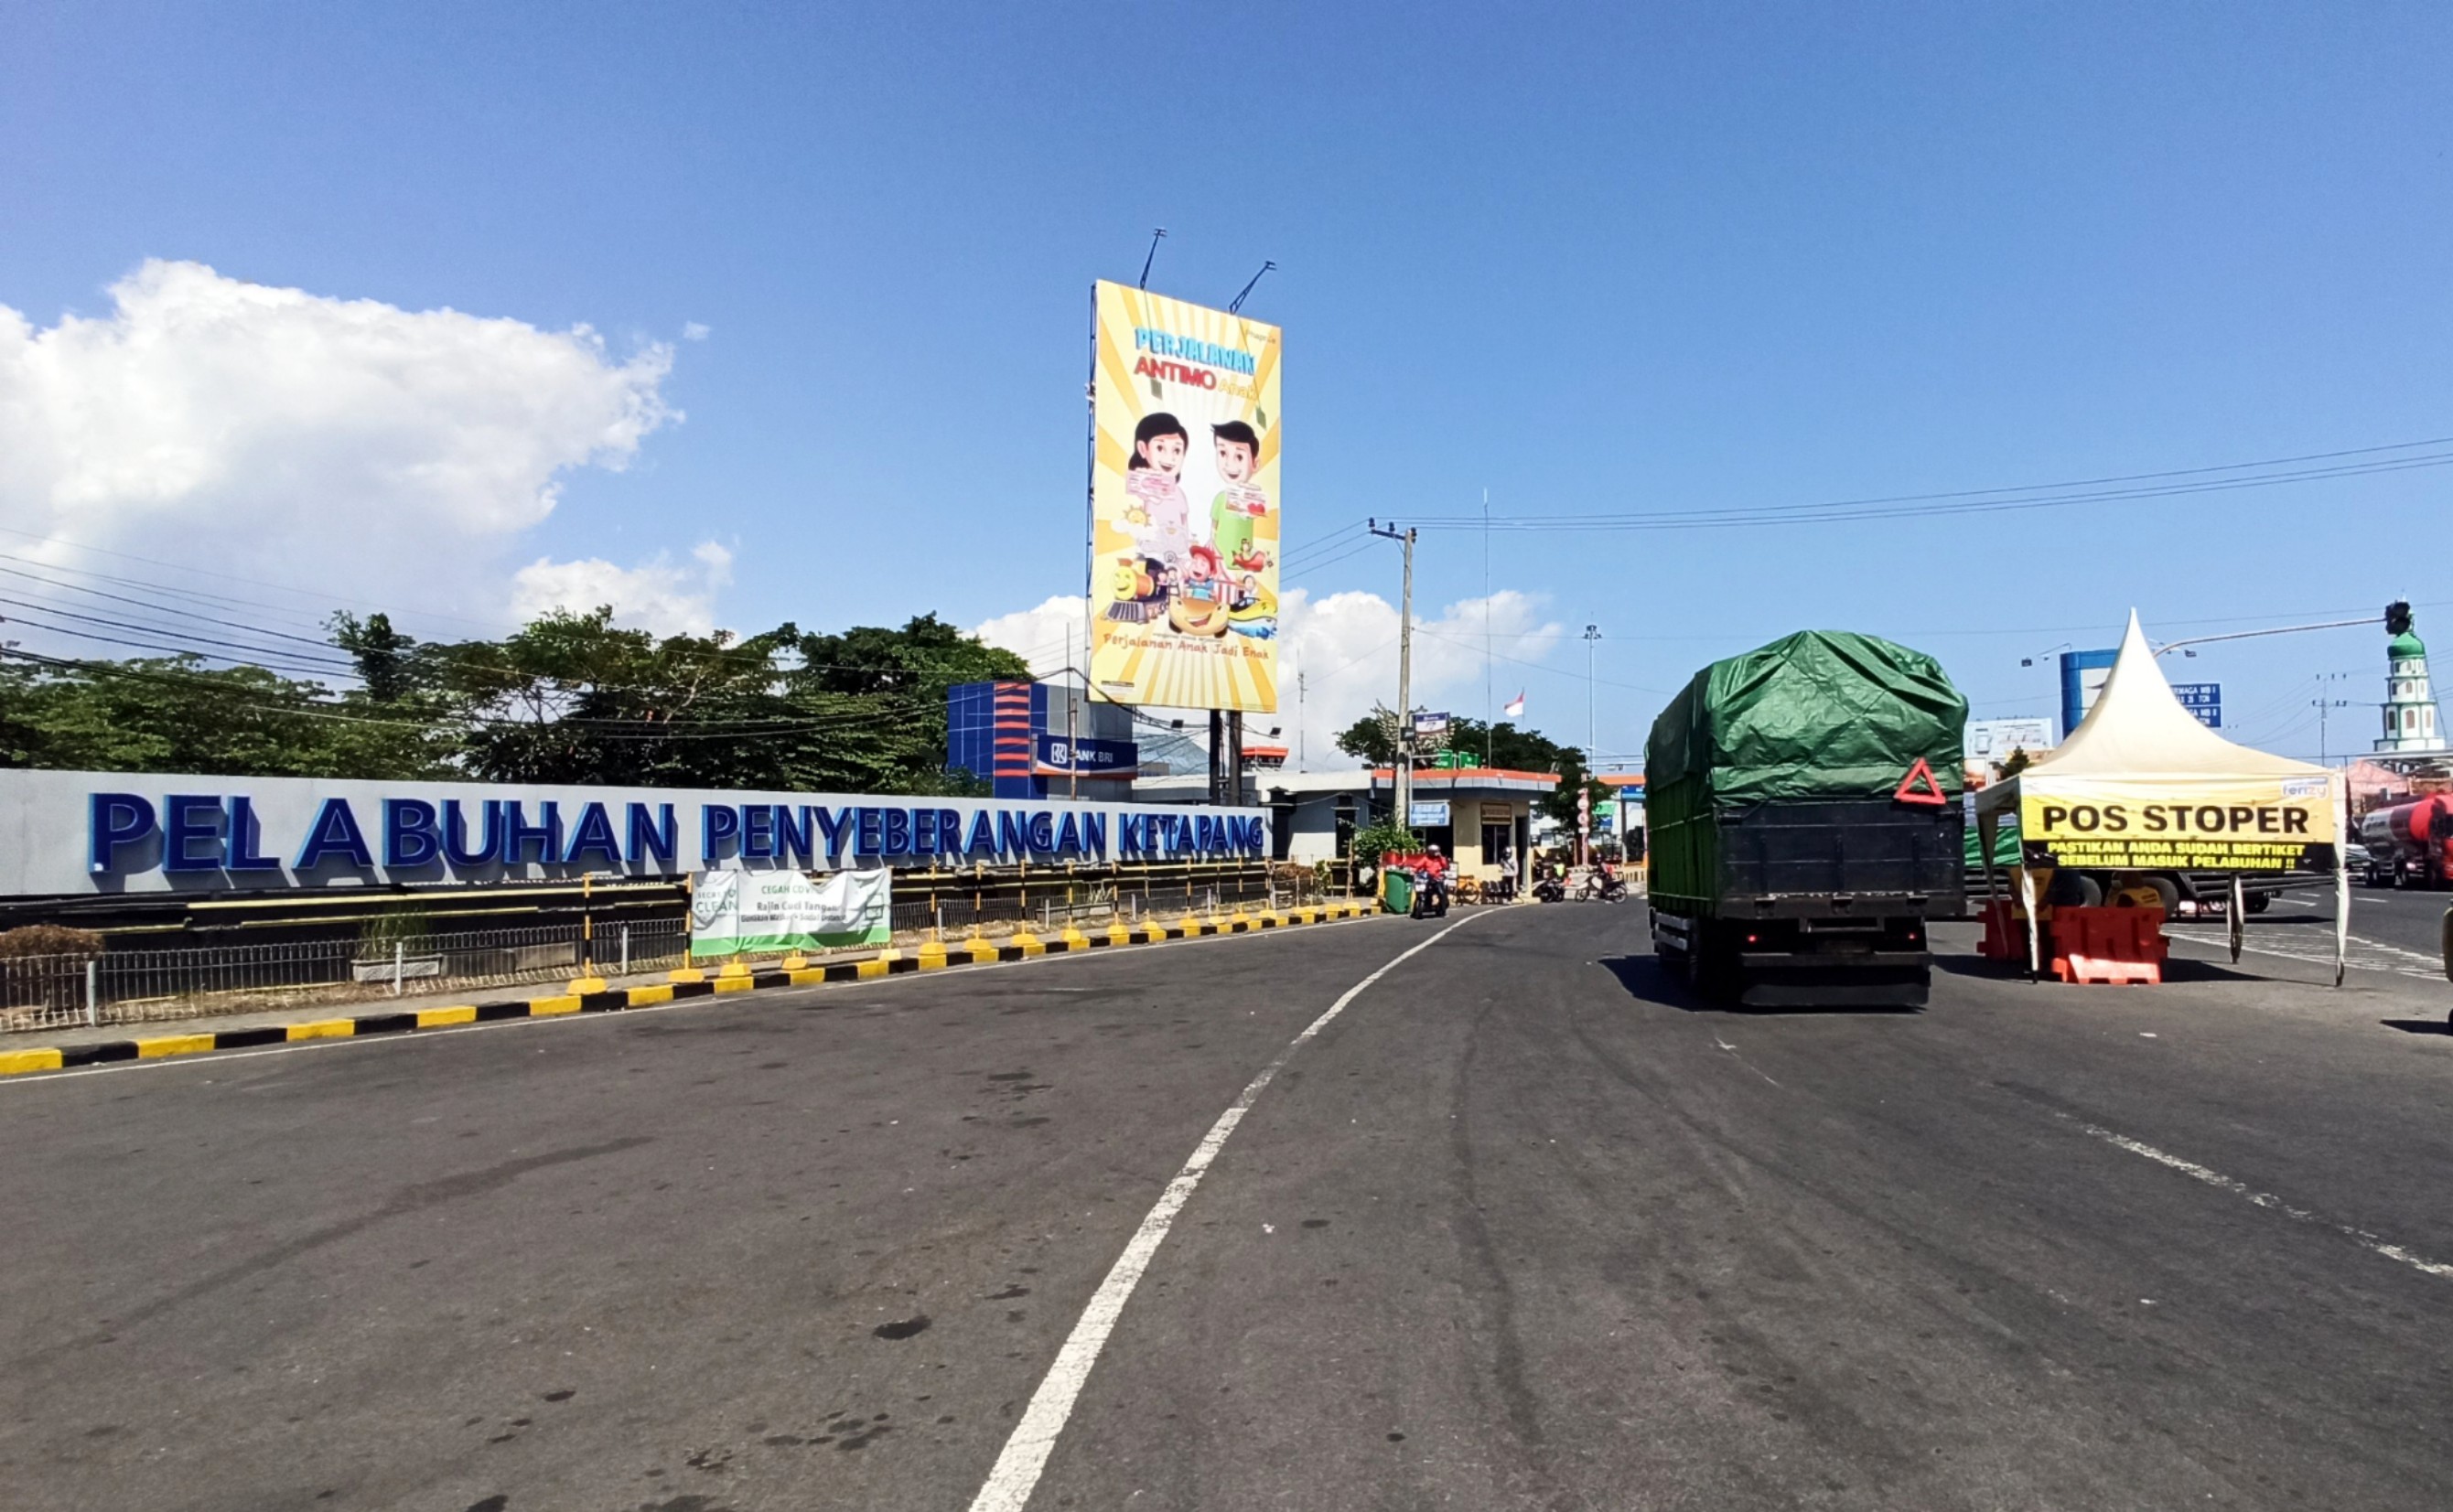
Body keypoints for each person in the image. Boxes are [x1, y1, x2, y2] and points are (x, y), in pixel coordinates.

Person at [1124, 413, 1193, 570]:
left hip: (1175, 550)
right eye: (1160, 448)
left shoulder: (1179, 493)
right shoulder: (1141, 488)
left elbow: (1184, 521)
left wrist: (1186, 548)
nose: (1170, 457)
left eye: (1177, 450)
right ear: (1143, 449)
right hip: (1152, 550)